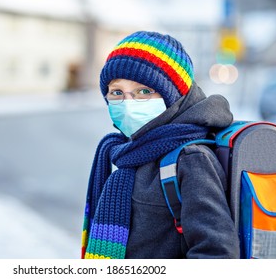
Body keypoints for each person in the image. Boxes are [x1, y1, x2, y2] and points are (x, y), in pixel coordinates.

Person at [81, 31, 240, 259]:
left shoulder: (190, 158)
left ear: (172, 96)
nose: (127, 103)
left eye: (144, 91)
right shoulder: (130, 150)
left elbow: (216, 253)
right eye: (117, 92)